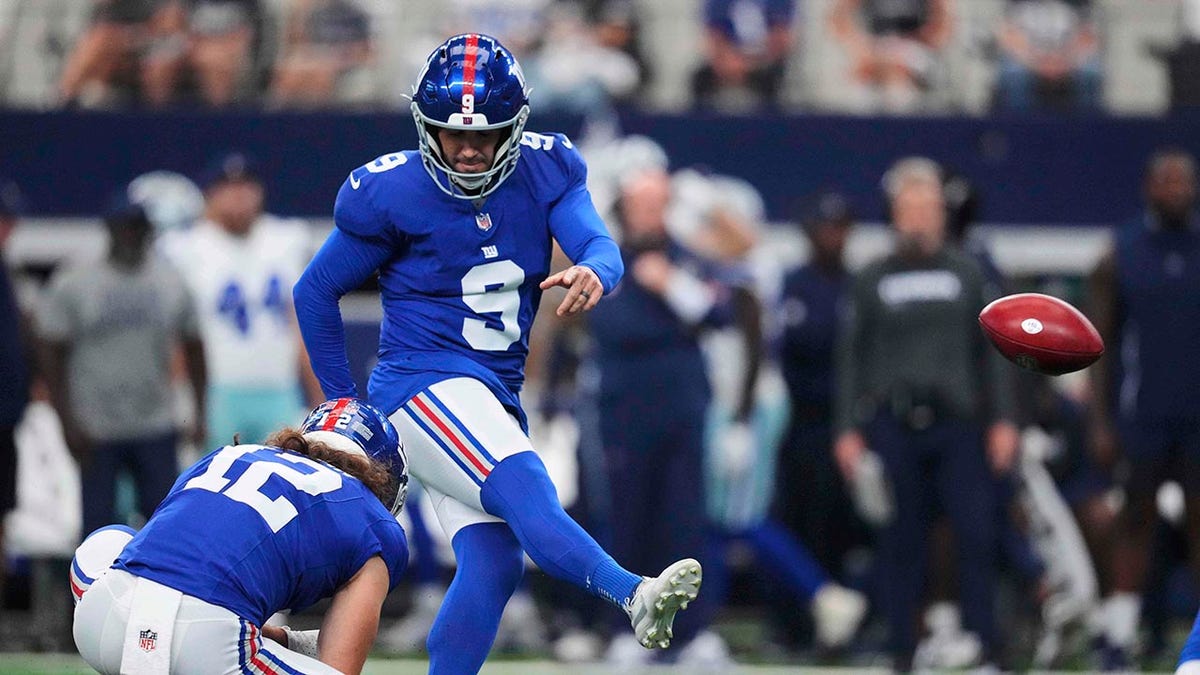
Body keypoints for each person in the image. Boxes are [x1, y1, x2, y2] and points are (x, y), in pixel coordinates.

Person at [292, 33, 702, 675]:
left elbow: (600, 242)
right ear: (425, 125)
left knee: (494, 562)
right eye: (453, 134)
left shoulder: (548, 168)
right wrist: (346, 400)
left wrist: (596, 268)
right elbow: (316, 290)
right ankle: (634, 594)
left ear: (516, 126)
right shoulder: (388, 190)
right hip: (423, 383)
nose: (467, 148)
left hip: (492, 392)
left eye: (485, 135)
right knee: (526, 482)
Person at [833, 157, 1019, 672]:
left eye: (927, 207)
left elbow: (994, 353)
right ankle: (901, 650)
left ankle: (985, 644)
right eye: (908, 207)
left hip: (959, 423)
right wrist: (847, 428)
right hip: (893, 424)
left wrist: (1004, 419)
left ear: (942, 212)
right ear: (893, 214)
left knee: (976, 534)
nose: (918, 217)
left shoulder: (969, 271)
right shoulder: (872, 278)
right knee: (898, 541)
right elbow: (851, 355)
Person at [71, 397, 410, 674]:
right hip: (207, 649)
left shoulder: (226, 455)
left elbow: (175, 567)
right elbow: (338, 665)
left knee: (110, 541)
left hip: (103, 619)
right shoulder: (374, 521)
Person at [1089, 147, 1200, 670]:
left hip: (1198, 415)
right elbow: (1098, 344)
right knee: (1134, 521)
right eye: (1166, 181)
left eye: (1183, 181)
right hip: (1143, 412)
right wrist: (1099, 420)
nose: (1175, 189)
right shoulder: (1122, 251)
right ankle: (1119, 635)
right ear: (1148, 188)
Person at [37, 200, 206, 537]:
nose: (130, 237)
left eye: (137, 230)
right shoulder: (77, 280)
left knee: (165, 526)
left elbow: (195, 345)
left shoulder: (169, 280)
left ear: (149, 233)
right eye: (123, 229)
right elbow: (50, 350)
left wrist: (199, 411)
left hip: (154, 422)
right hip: (96, 428)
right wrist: (67, 420)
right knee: (97, 531)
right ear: (110, 232)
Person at [158, 152, 323, 448]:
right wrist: (180, 396)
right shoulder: (184, 248)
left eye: (247, 187)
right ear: (210, 195)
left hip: (278, 387)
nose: (240, 197)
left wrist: (318, 396)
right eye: (229, 188)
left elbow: (299, 324)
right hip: (216, 390)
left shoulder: (286, 239)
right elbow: (174, 334)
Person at [827, 0, 954, 113]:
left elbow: (944, 21)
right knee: (858, 77)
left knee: (900, 79)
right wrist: (860, 49)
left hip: (916, 48)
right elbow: (839, 17)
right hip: (874, 48)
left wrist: (909, 49)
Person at [992, 0, 1103, 113]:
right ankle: (1019, 127)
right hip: (1027, 59)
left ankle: (1085, 127)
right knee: (1014, 74)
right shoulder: (1016, 3)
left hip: (1068, 59)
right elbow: (1008, 35)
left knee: (1089, 73)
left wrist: (1067, 61)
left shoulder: (1080, 4)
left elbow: (1089, 36)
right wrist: (1035, 61)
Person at [691, 0, 797, 112]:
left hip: (765, 61)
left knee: (774, 79)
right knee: (700, 79)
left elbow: (781, 37)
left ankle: (773, 125)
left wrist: (752, 62)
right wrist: (729, 60)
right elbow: (714, 36)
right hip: (729, 60)